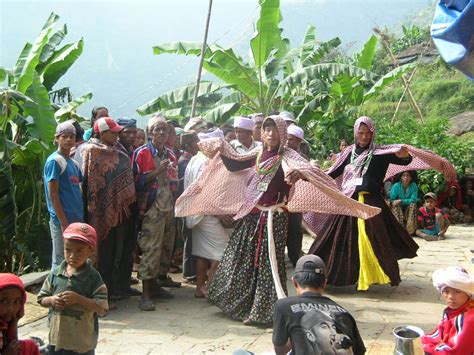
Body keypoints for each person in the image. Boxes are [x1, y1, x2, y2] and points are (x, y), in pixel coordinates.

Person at [176, 115, 379, 325]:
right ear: (261, 133)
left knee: (267, 263)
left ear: (282, 133)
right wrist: (221, 148)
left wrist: (300, 174)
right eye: (267, 130)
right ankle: (237, 304)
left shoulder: (288, 156)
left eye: (275, 130)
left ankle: (263, 313)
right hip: (253, 215)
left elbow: (311, 173)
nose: (271, 134)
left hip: (275, 217)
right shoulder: (257, 153)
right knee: (241, 259)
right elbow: (234, 164)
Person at [308, 116, 420, 291]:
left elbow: (403, 160)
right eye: (361, 133)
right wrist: (311, 176)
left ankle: (373, 276)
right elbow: (333, 172)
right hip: (349, 202)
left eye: (368, 133)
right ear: (355, 133)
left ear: (373, 133)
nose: (364, 137)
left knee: (377, 240)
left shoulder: (380, 153)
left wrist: (406, 156)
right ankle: (327, 274)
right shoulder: (348, 153)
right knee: (336, 240)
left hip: (371, 203)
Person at [82, 117, 136, 303]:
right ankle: (100, 296)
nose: (116, 135)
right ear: (102, 133)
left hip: (115, 211)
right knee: (102, 254)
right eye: (113, 132)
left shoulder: (117, 152)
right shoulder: (92, 151)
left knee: (113, 253)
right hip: (96, 209)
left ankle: (110, 291)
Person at [133, 115, 181, 312]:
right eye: (157, 129)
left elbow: (173, 180)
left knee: (165, 247)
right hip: (151, 206)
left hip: (167, 204)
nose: (161, 133)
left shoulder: (170, 154)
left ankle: (155, 285)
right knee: (150, 247)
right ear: (150, 132)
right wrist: (157, 171)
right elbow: (135, 182)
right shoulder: (142, 153)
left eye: (164, 130)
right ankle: (145, 294)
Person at [37, 223, 108, 355]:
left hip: (82, 343)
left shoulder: (93, 277)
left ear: (91, 250)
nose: (72, 255)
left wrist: (79, 299)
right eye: (68, 250)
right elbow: (41, 299)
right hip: (57, 340)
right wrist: (52, 300)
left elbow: (102, 307)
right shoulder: (55, 274)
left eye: (79, 250)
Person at [273, 255, 366, 355]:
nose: (333, 333)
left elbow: (280, 351)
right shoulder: (344, 312)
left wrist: (294, 335)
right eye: (325, 327)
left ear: (294, 282)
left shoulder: (283, 306)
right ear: (324, 283)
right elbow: (360, 351)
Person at [184, 129, 231, 298]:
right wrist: (219, 214)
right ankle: (209, 287)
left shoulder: (196, 159)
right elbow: (205, 192)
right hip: (206, 213)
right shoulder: (206, 163)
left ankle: (199, 289)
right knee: (224, 249)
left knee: (202, 252)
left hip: (195, 213)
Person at [44, 122, 83, 267]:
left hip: (76, 217)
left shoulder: (74, 163)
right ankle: (56, 289)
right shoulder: (55, 161)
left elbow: (77, 189)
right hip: (61, 219)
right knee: (61, 258)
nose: (68, 140)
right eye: (64, 136)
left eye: (71, 137)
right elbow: (53, 193)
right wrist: (63, 221)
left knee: (74, 258)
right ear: (57, 138)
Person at [421, 266, 474, 354]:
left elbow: (457, 351)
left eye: (457, 292)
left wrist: (428, 348)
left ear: (468, 293)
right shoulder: (452, 312)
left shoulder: (469, 319)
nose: (450, 297)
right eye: (446, 291)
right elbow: (439, 335)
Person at [178, 132, 201, 283]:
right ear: (188, 145)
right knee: (189, 238)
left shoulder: (191, 159)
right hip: (188, 204)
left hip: (188, 204)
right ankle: (190, 272)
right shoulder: (185, 160)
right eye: (195, 142)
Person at [0, 274, 40, 355]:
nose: (11, 308)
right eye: (4, 301)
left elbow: (12, 343)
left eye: (17, 302)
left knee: (30, 346)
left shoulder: (4, 322)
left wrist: (13, 324)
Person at [389, 171, 419, 235]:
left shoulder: (414, 185)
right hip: (398, 208)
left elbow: (413, 200)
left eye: (408, 175)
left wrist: (401, 201)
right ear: (401, 178)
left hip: (408, 207)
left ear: (411, 178)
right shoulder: (396, 186)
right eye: (403, 175)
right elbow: (392, 200)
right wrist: (399, 202)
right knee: (395, 205)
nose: (406, 177)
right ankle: (399, 230)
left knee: (413, 205)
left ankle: (410, 230)